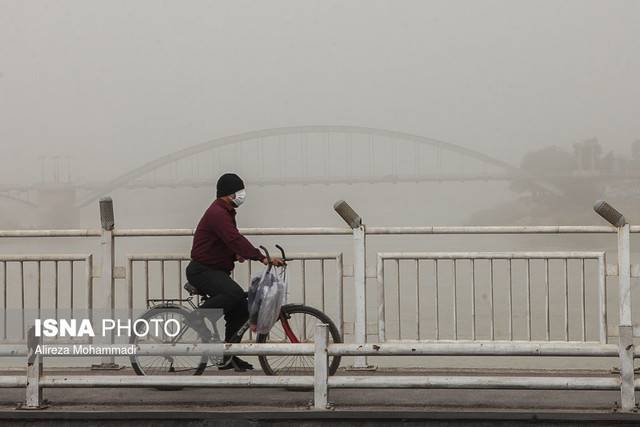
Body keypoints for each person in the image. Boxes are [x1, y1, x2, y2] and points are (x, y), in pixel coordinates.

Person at [186, 173, 284, 371]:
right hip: (202, 271)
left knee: (240, 307)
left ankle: (228, 356)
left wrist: (234, 255)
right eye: (239, 191)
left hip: (215, 270)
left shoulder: (226, 211)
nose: (242, 195)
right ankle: (198, 316)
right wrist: (261, 257)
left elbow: (223, 241)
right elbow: (233, 239)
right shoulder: (218, 213)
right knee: (235, 294)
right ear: (229, 193)